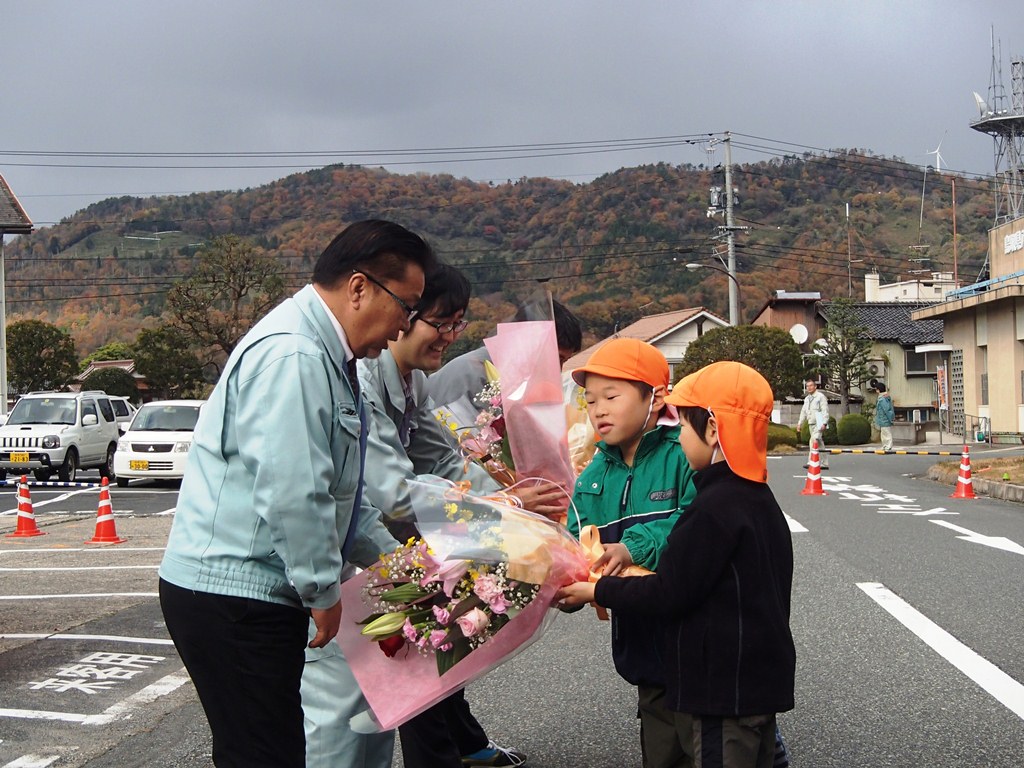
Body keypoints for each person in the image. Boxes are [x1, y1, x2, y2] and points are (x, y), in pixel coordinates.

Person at [158, 220, 436, 768]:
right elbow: (294, 490)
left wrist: (404, 570)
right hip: (235, 593)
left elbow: (341, 499)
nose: (404, 328)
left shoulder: (330, 357)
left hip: (250, 591)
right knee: (265, 753)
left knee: (268, 748)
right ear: (359, 288)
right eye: (407, 307)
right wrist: (321, 589)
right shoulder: (297, 356)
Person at [302, 263, 560, 768]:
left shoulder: (411, 381)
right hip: (336, 555)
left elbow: (442, 459)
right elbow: (393, 493)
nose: (448, 337)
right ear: (402, 316)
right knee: (340, 711)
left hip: (373, 551)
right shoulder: (361, 381)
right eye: (439, 323)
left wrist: (523, 497)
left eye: (457, 324)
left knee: (379, 702)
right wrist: (505, 508)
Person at [558, 361, 796, 768]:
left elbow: (670, 591)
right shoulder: (757, 500)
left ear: (713, 430)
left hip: (718, 688)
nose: (679, 437)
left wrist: (597, 590)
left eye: (684, 427)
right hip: (751, 679)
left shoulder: (713, 509)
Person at [567, 338, 698, 768]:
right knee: (660, 745)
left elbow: (697, 524)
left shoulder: (685, 452)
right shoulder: (590, 476)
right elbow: (574, 545)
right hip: (640, 641)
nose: (598, 409)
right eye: (590, 400)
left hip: (695, 639)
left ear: (656, 397)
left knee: (710, 741)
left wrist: (631, 546)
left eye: (611, 396)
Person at [426, 298, 583, 409]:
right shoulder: (471, 372)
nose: (558, 370)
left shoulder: (518, 382)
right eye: (557, 358)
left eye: (564, 361)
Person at [797, 378, 830, 469]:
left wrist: (824, 422)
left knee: (813, 440)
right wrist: (800, 423)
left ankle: (811, 461)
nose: (809, 388)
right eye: (807, 386)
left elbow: (825, 410)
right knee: (819, 443)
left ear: (815, 386)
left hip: (819, 420)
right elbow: (803, 411)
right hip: (811, 422)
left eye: (811, 386)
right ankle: (824, 463)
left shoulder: (820, 397)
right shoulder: (807, 398)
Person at [875, 382, 895, 451]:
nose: (876, 391)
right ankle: (885, 445)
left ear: (879, 390)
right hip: (883, 419)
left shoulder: (882, 399)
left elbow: (887, 409)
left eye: (876, 389)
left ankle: (888, 446)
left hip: (884, 418)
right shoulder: (884, 397)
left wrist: (891, 418)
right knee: (884, 433)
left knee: (886, 433)